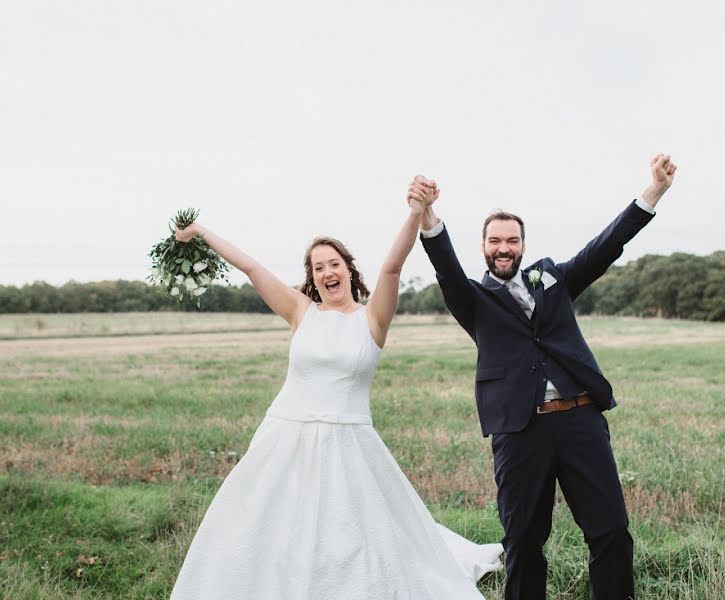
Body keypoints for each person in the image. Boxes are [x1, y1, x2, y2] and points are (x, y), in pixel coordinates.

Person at [168, 180, 503, 600]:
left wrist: (417, 211)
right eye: (318, 267)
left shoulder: (372, 320)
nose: (327, 272)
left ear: (348, 268)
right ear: (312, 278)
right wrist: (200, 231)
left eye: (334, 263)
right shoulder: (300, 311)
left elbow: (392, 269)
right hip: (285, 437)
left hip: (350, 444)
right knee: (263, 529)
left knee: (351, 534)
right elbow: (252, 268)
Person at [415, 154, 678, 600]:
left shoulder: (552, 278)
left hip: (580, 420)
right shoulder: (472, 299)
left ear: (522, 244)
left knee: (611, 529)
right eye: (495, 240)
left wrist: (653, 191)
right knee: (522, 540)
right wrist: (426, 213)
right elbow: (445, 264)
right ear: (483, 246)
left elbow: (605, 246)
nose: (503, 247)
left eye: (512, 240)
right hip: (521, 431)